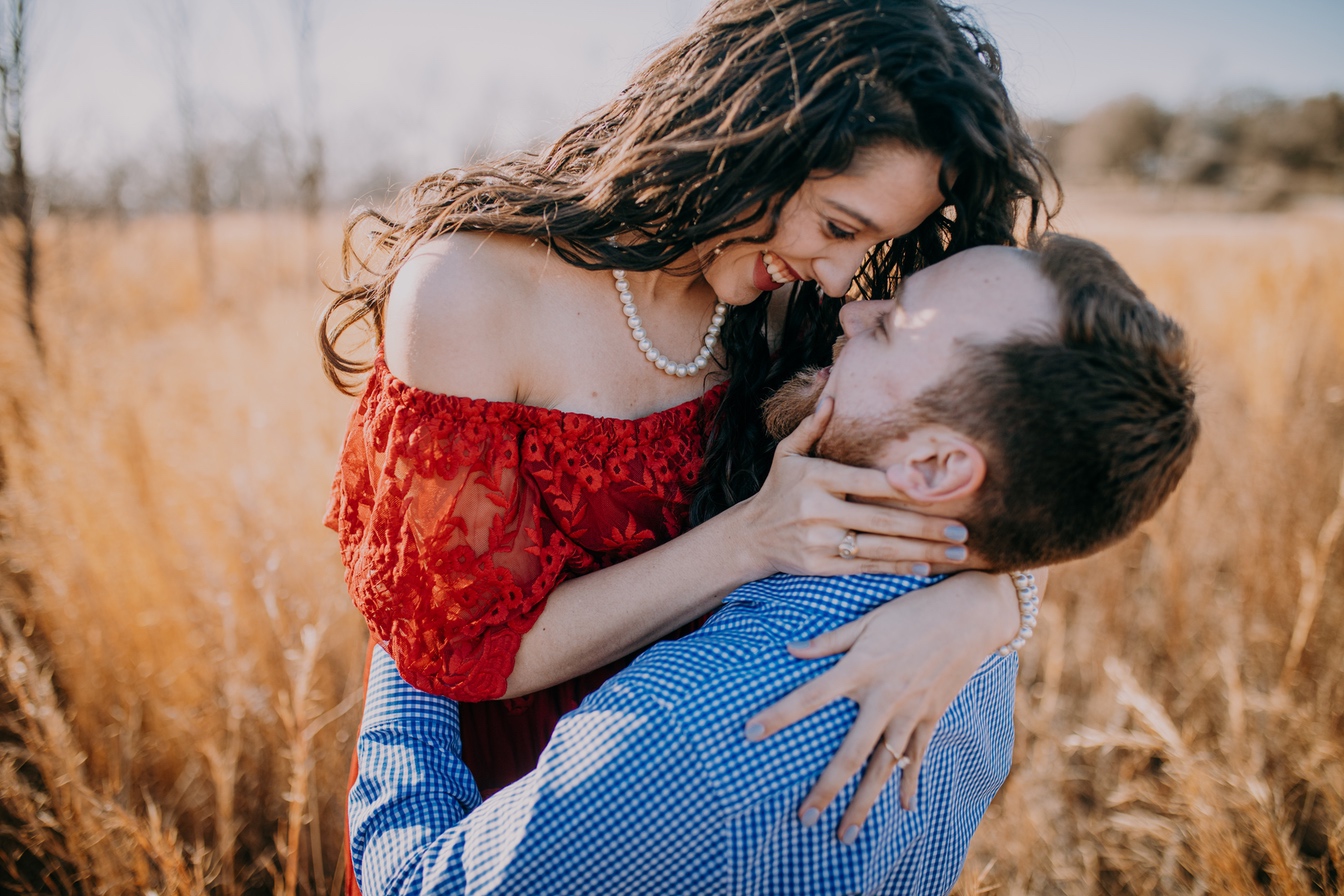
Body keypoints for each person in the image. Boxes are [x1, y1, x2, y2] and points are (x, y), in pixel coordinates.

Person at [321, 0, 1057, 889]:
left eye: (872, 243)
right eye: (837, 225)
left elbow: (1018, 458)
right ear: (750, 128)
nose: (839, 275)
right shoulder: (473, 294)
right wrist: (749, 540)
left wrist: (985, 605)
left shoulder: (794, 302)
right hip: (515, 810)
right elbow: (467, 655)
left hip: (721, 791)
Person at [348, 236, 1200, 895]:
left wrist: (418, 620)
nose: (849, 310)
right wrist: (996, 598)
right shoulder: (974, 669)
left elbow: (418, 884)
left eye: (894, 322)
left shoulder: (690, 727)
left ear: (938, 471)